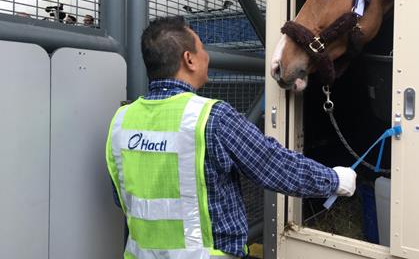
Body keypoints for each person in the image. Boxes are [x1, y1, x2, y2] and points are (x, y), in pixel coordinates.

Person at [105, 16, 356, 259]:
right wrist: (334, 180)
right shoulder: (211, 117)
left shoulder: (121, 121)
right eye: (203, 48)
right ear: (189, 59)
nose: (208, 56)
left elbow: (122, 198)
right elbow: (272, 164)